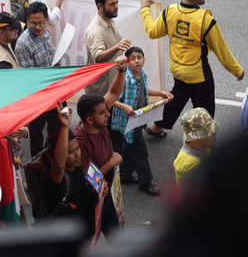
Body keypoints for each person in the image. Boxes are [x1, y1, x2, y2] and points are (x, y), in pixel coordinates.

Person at [140, 0, 244, 136]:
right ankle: (202, 139)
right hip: (198, 73)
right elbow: (221, 50)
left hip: (177, 68)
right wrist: (238, 71)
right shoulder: (205, 20)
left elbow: (152, 31)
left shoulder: (170, 11)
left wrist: (145, 10)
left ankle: (157, 127)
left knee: (178, 96)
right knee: (205, 109)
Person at [73, 55, 127, 238]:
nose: (108, 115)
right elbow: (89, 178)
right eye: (103, 113)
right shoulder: (80, 141)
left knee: (116, 235)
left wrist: (122, 70)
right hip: (93, 200)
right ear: (89, 120)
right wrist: (112, 162)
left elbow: (113, 93)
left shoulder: (98, 119)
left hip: (108, 192)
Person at [111, 47, 173, 196]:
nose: (137, 61)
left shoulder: (141, 74)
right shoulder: (125, 79)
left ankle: (125, 175)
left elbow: (144, 90)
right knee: (141, 153)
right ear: (127, 61)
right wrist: (125, 107)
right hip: (128, 122)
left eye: (139, 57)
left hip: (138, 119)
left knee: (127, 147)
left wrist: (160, 93)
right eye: (132, 58)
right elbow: (111, 99)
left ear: (144, 60)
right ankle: (146, 183)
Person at [43, 103, 99, 238]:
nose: (78, 154)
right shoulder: (56, 178)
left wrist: (100, 191)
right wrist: (65, 126)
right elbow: (59, 166)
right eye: (70, 152)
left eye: (77, 148)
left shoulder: (78, 169)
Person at [14, 1, 60, 156]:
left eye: (41, 23)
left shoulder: (46, 32)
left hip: (55, 88)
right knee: (36, 132)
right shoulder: (23, 44)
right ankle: (37, 163)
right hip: (38, 94)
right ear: (27, 21)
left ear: (47, 20)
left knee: (57, 125)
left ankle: (53, 156)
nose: (38, 27)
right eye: (33, 24)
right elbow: (30, 77)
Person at [84, 0, 131, 98]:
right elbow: (99, 58)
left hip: (113, 87)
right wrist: (116, 47)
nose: (116, 7)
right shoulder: (95, 31)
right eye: (112, 4)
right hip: (101, 94)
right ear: (100, 6)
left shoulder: (110, 20)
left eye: (117, 2)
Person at [173, 107, 218, 188]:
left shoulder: (197, 148)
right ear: (196, 138)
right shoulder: (193, 164)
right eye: (210, 132)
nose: (215, 134)